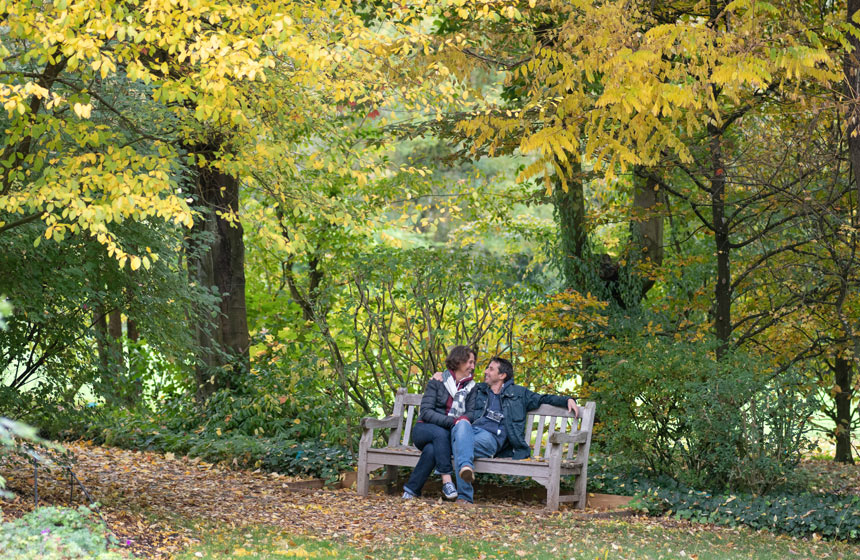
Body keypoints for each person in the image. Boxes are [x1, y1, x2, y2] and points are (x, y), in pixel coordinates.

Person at [445, 356, 579, 504]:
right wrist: (441, 375)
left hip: (490, 439)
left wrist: (567, 399)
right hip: (469, 433)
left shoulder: (520, 394)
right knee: (462, 425)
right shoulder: (478, 390)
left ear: (502, 375)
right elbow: (454, 386)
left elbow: (543, 399)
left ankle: (464, 494)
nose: (485, 372)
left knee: (458, 443)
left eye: (491, 369)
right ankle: (465, 471)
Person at [402, 345, 476, 500]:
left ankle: (411, 490)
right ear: (459, 361)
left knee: (431, 450)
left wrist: (458, 422)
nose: (472, 366)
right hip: (424, 429)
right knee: (440, 434)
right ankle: (446, 480)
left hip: (446, 436)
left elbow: (471, 413)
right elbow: (426, 412)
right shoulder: (438, 381)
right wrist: (452, 421)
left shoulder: (471, 387)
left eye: (473, 363)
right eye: (469, 362)